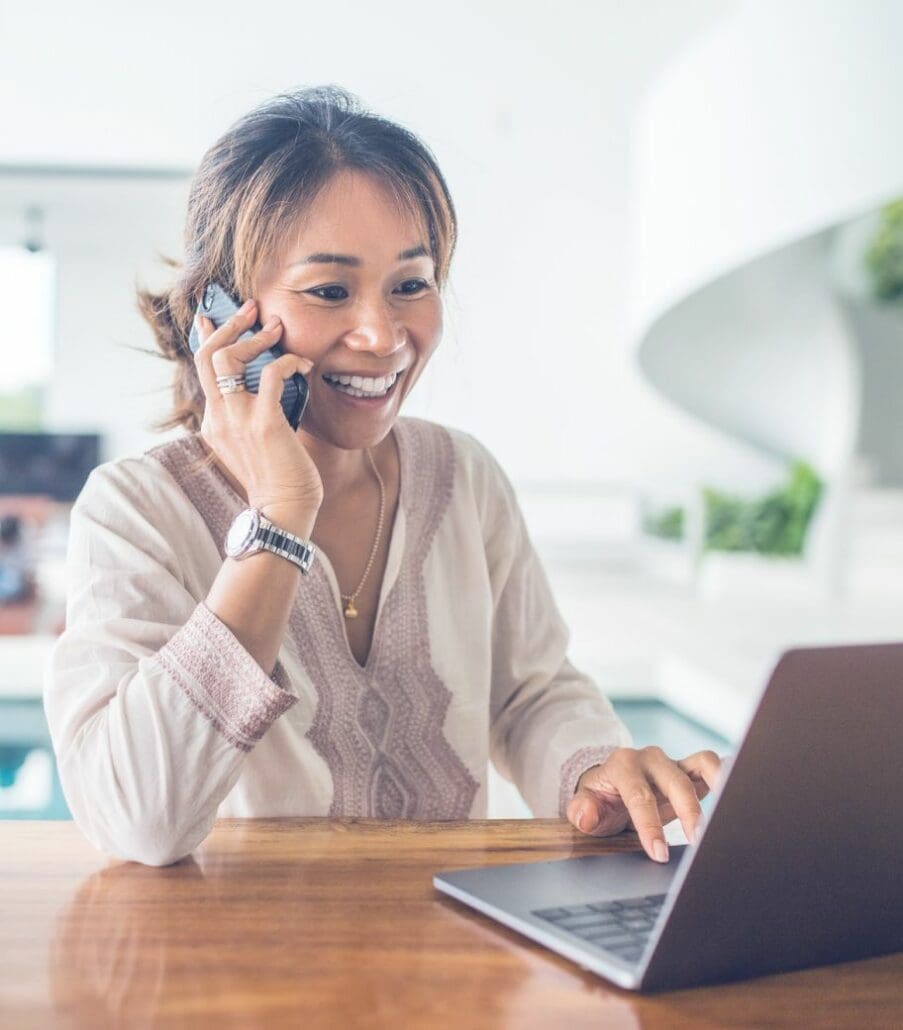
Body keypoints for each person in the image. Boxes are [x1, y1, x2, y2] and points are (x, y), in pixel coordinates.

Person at [43, 85, 721, 867]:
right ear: (222, 313)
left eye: (411, 284)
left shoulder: (462, 476)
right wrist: (279, 516)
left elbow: (530, 691)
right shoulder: (134, 510)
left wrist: (594, 770)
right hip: (233, 969)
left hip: (451, 964)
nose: (381, 334)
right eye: (328, 291)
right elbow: (138, 820)